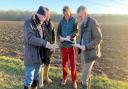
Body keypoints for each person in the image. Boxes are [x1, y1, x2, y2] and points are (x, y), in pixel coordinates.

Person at [23, 6, 52, 89]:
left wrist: (49, 44)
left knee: (36, 78)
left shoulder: (40, 24)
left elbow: (42, 38)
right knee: (29, 79)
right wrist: (44, 43)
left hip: (39, 56)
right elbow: (30, 38)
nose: (46, 20)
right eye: (45, 17)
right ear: (42, 15)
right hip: (31, 57)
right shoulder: (28, 23)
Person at [76, 6, 102, 89]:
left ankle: (84, 85)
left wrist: (86, 46)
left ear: (85, 14)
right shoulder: (82, 24)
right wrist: (79, 44)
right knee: (86, 73)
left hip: (91, 53)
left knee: (84, 76)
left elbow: (99, 39)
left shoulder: (93, 23)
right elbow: (82, 37)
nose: (79, 18)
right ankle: (87, 85)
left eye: (80, 16)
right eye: (78, 16)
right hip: (84, 52)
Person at [57, 6, 78, 89]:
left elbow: (77, 31)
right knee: (64, 63)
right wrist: (60, 38)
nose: (66, 15)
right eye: (65, 14)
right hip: (63, 46)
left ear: (70, 12)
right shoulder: (61, 22)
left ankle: (74, 81)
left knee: (73, 64)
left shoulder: (74, 20)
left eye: (67, 13)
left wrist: (71, 36)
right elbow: (58, 32)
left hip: (72, 45)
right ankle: (64, 78)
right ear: (63, 13)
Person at [39, 8, 55, 87]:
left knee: (48, 62)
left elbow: (53, 36)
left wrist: (53, 47)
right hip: (42, 47)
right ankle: (41, 80)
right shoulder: (40, 23)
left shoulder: (51, 23)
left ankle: (46, 77)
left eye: (49, 14)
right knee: (41, 63)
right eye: (46, 14)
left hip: (49, 48)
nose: (47, 16)